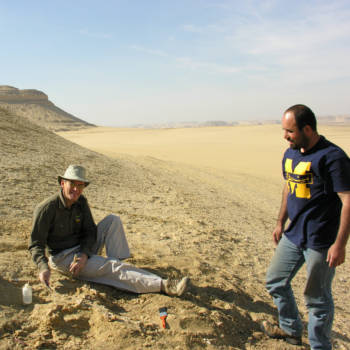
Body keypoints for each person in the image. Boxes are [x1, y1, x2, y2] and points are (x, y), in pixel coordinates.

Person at [262, 105, 350, 349]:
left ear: (308, 129)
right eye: (284, 130)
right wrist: (280, 221)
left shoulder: (333, 157)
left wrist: (340, 244)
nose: (285, 136)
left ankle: (319, 346)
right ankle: (290, 330)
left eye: (290, 131)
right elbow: (289, 186)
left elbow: (348, 200)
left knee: (317, 299)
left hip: (321, 241)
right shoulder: (290, 153)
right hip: (294, 234)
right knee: (275, 281)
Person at [29, 164, 189, 296]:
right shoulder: (46, 209)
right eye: (72, 184)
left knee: (113, 220)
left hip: (81, 250)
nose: (76, 189)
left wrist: (84, 254)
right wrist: (43, 268)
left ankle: (120, 271)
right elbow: (35, 244)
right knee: (110, 267)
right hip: (63, 258)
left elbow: (90, 231)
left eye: (80, 185)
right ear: (62, 183)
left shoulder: (81, 202)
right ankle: (164, 285)